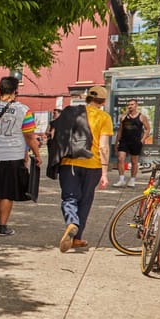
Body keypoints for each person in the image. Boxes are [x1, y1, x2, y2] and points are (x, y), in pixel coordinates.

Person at [0, 76, 41, 236]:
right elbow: (29, 136)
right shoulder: (23, 110)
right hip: (13, 156)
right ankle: (3, 226)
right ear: (15, 91)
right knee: (7, 192)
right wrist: (37, 154)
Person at [56, 85, 113, 251]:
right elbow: (103, 147)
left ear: (87, 98)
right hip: (92, 164)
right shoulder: (104, 117)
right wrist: (104, 172)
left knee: (70, 198)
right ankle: (77, 237)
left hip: (70, 162)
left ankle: (71, 222)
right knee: (85, 200)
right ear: (102, 101)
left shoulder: (72, 113)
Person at [112, 99, 150, 188]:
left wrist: (143, 139)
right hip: (124, 141)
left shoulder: (141, 117)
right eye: (129, 104)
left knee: (134, 161)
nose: (130, 106)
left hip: (136, 142)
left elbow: (148, 128)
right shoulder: (123, 117)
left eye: (132, 104)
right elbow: (120, 130)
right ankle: (121, 179)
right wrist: (116, 142)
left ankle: (132, 180)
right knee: (120, 159)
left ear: (136, 105)